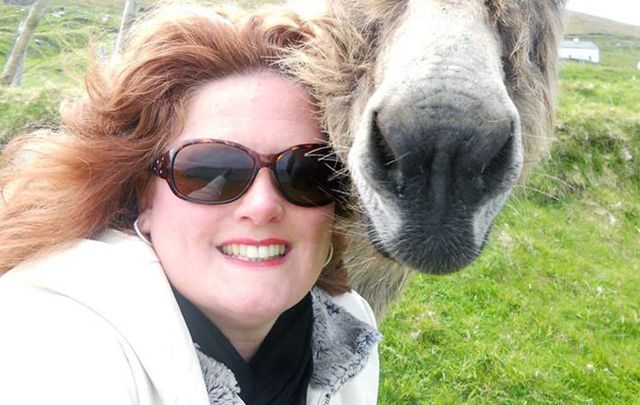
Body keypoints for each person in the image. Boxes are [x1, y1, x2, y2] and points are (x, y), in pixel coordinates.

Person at [0, 4, 380, 405]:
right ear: (143, 195)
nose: (264, 205)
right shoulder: (59, 334)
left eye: (305, 172)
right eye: (211, 170)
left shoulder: (348, 330)